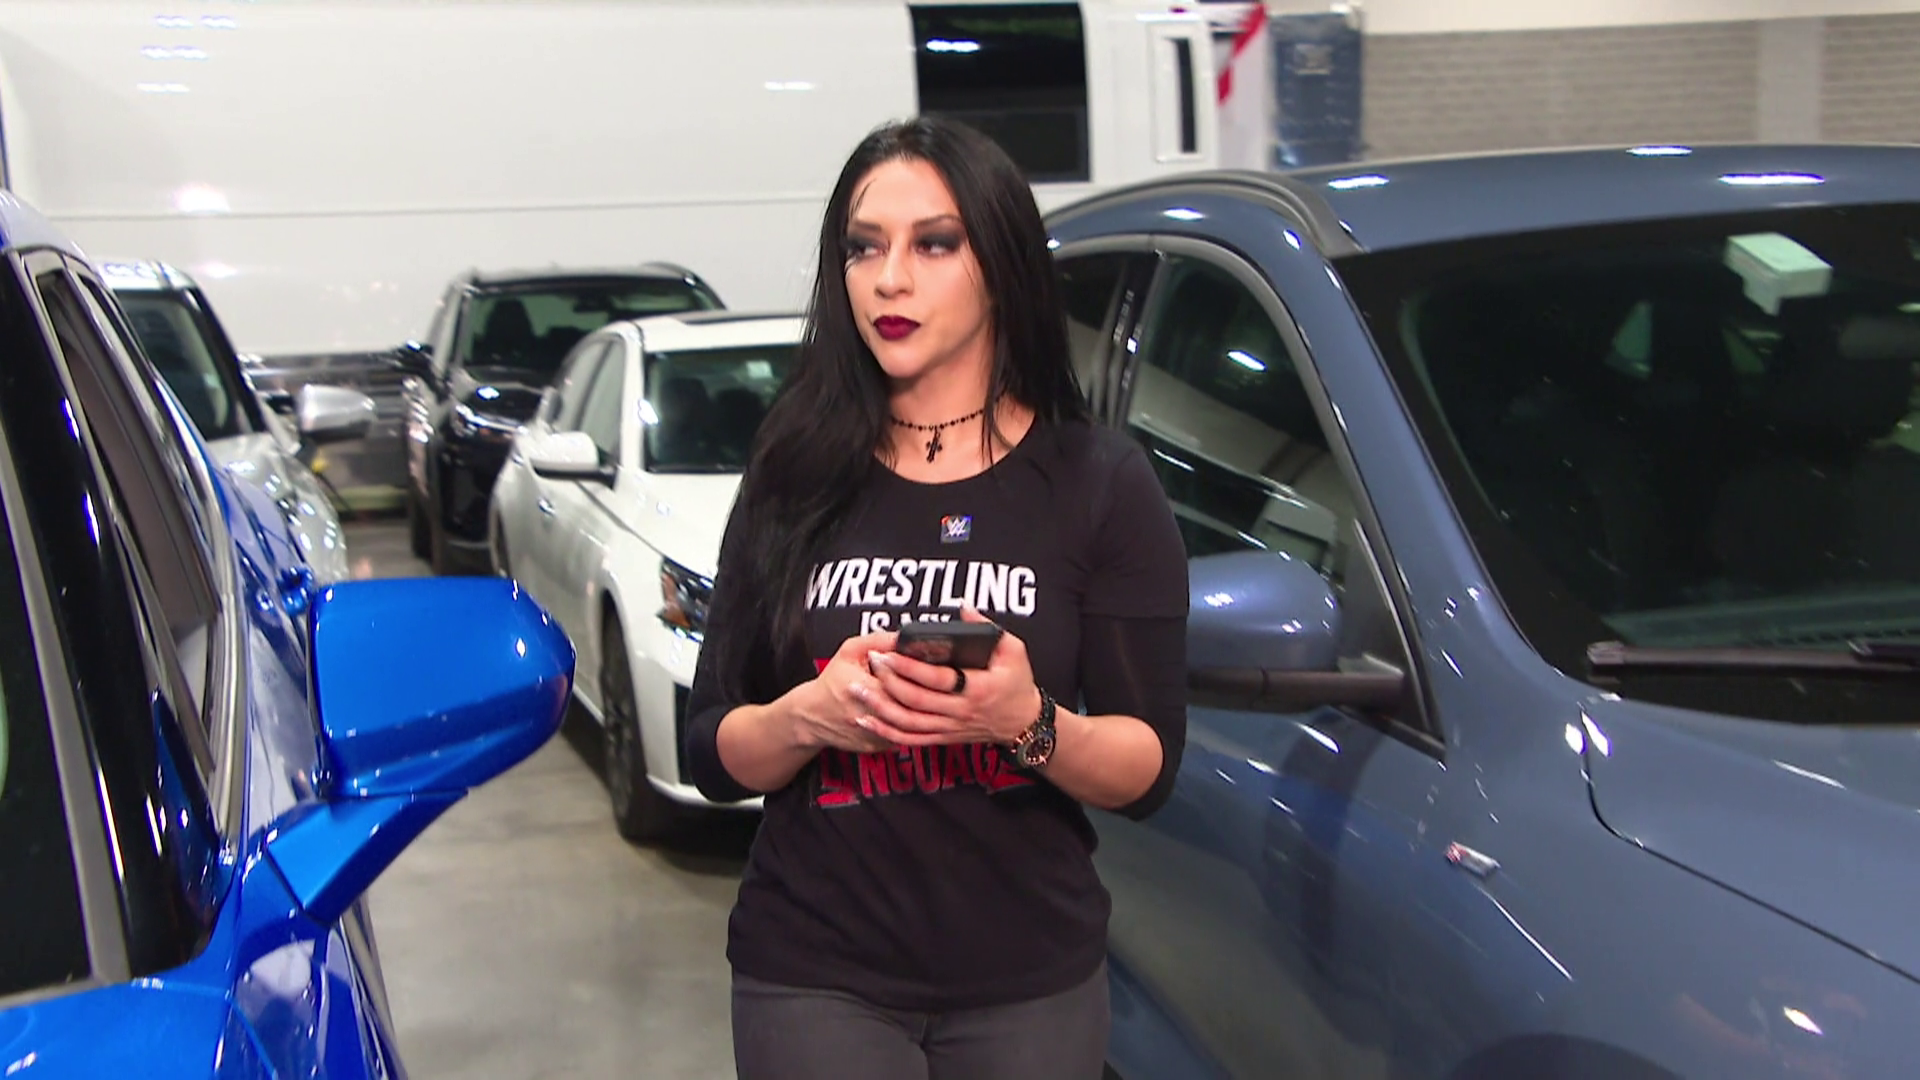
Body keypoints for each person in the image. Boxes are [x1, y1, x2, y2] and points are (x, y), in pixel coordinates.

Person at [684, 115, 1189, 1079]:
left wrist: (1024, 721)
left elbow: (1147, 770)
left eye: (933, 244)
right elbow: (710, 749)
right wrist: (809, 716)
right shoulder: (793, 471)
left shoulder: (1097, 482)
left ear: (1000, 262)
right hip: (814, 973)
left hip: (1028, 982)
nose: (889, 280)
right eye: (863, 248)